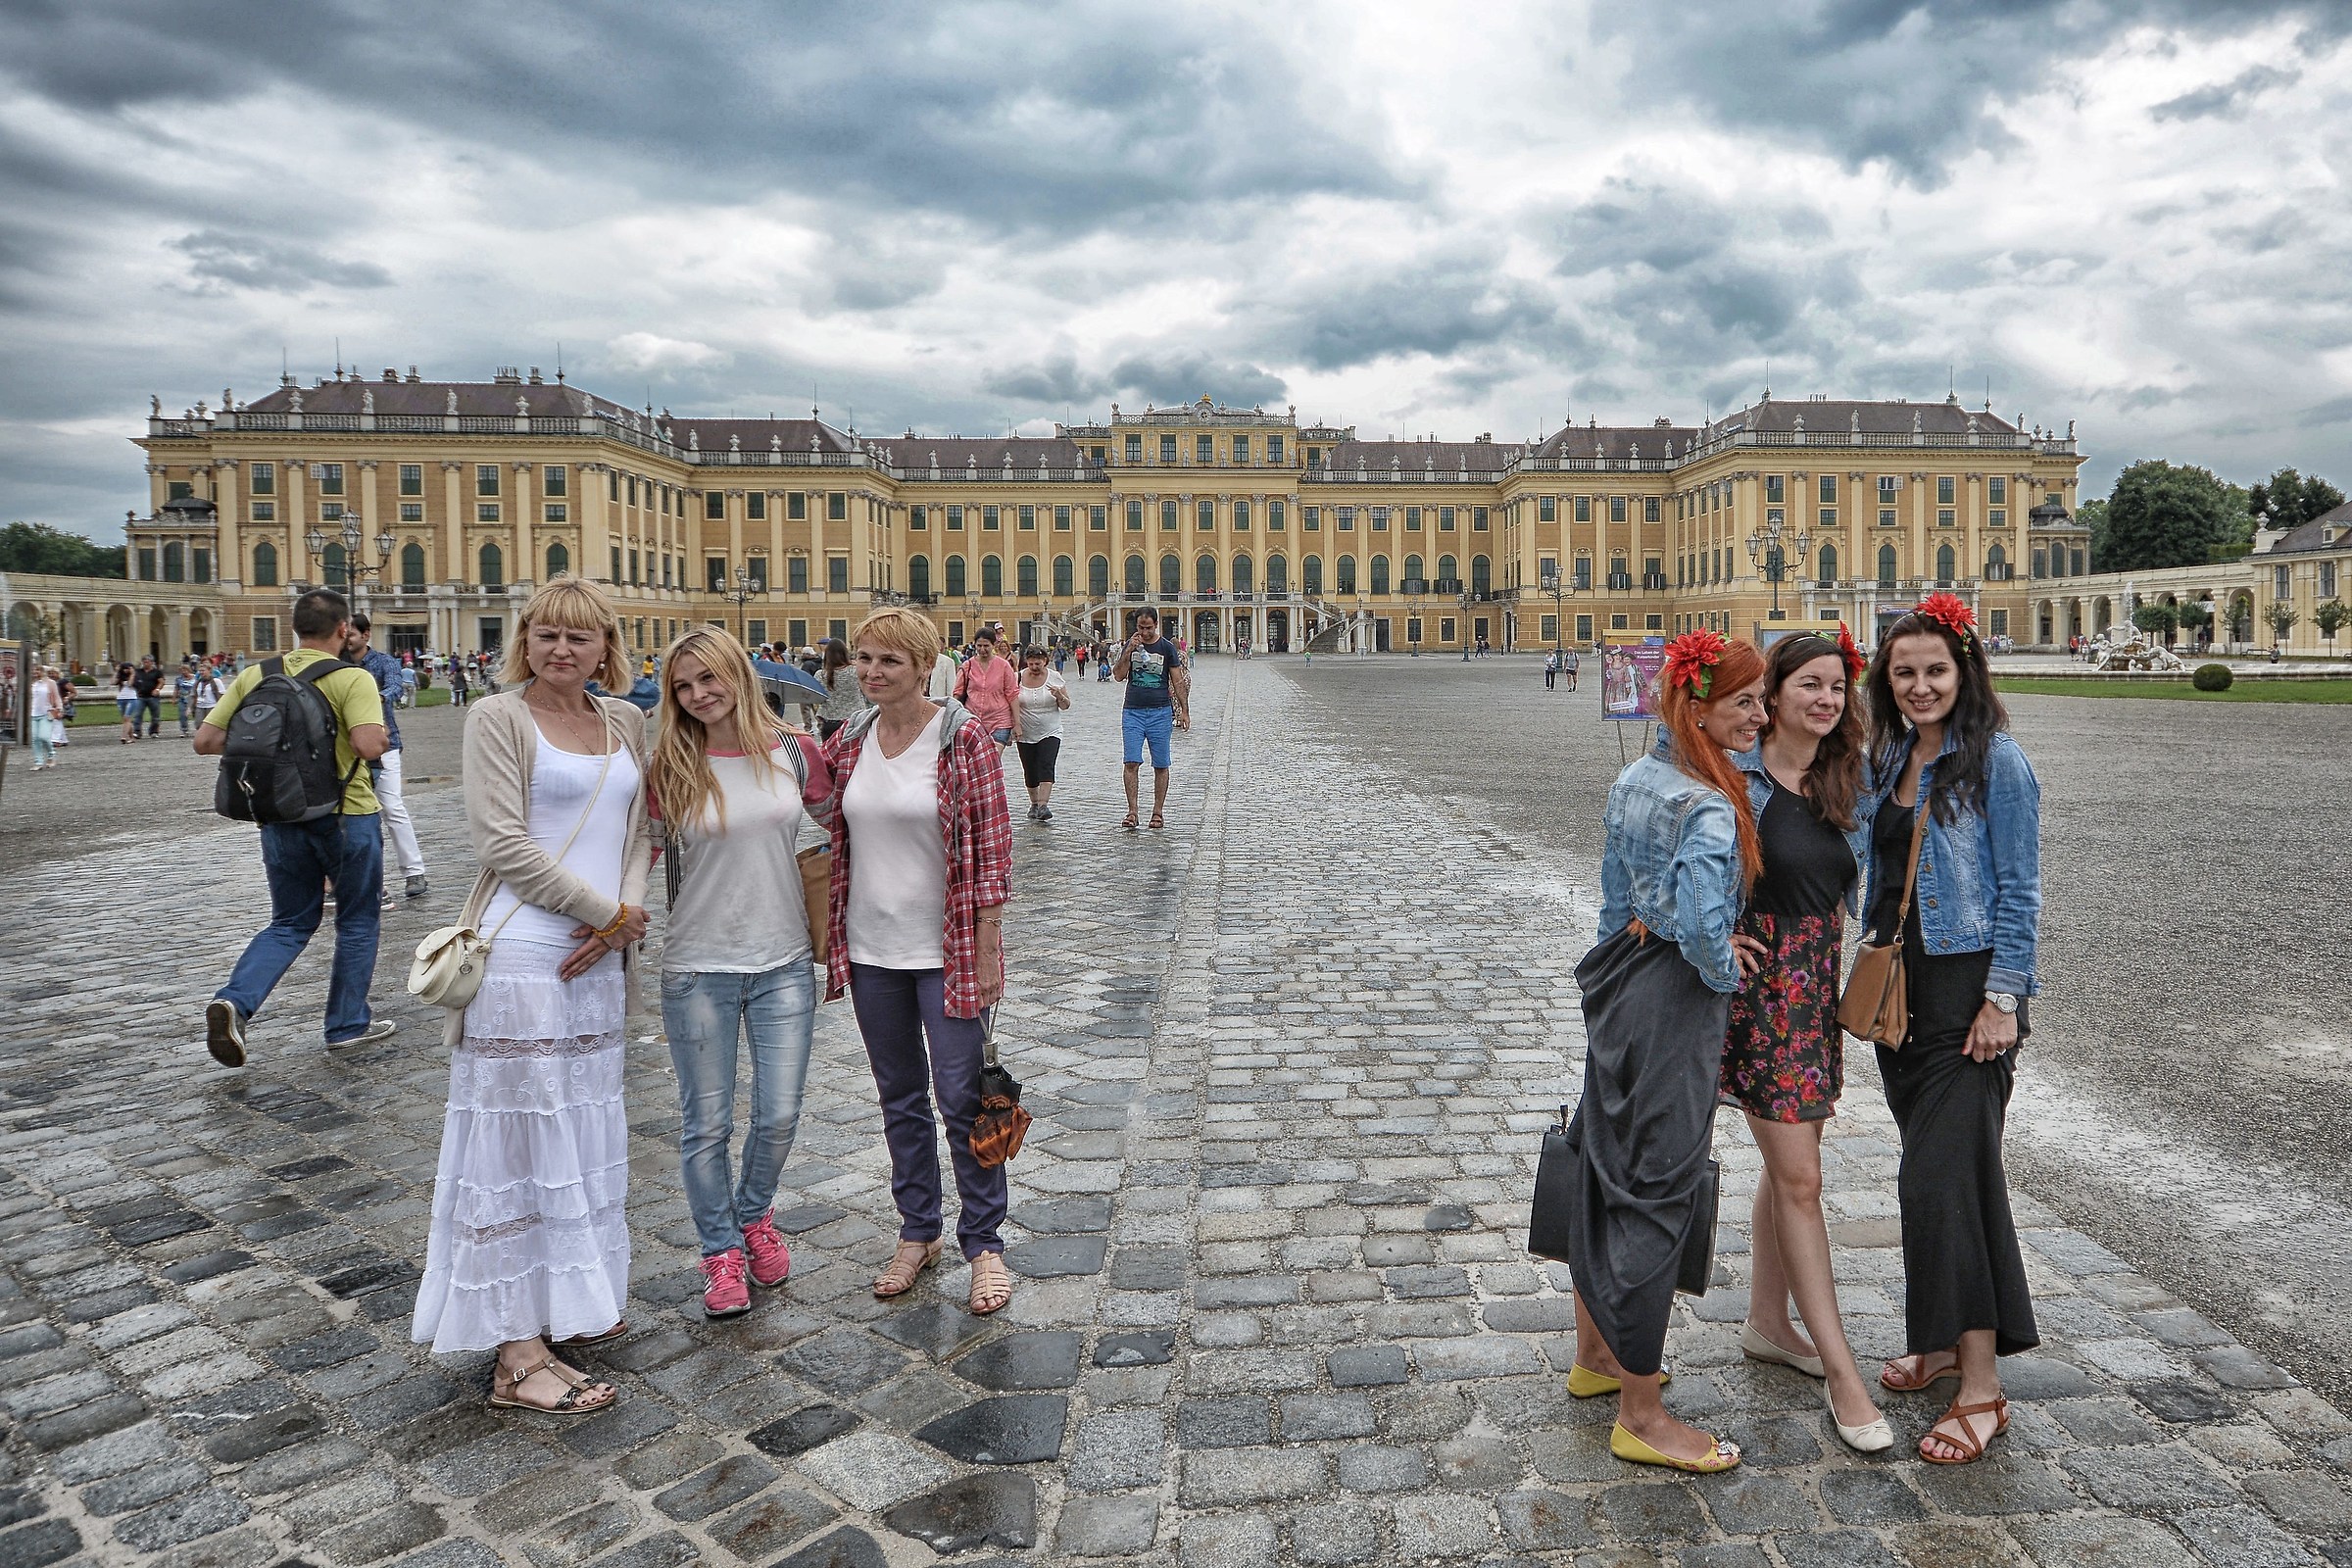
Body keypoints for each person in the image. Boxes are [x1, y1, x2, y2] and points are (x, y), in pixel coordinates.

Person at [412, 575, 651, 1416]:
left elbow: (639, 831)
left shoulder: (624, 721)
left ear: (604, 647)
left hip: (597, 961)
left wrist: (620, 921)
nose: (561, 649)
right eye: (547, 634)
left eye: (579, 637)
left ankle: (562, 1306)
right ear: (525, 641)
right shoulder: (497, 718)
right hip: (523, 961)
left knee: (579, 1133)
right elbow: (502, 843)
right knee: (515, 1148)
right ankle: (515, 1354)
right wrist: (606, 912)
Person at [1562, 629, 1766, 1475]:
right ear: (1699, 708)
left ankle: (1598, 1358)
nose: (1761, 714)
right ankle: (1642, 1414)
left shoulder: (1636, 778)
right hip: (1678, 1001)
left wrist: (1616, 986)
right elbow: (1700, 919)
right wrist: (1726, 967)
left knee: (1604, 1163)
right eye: (1745, 702)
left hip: (1621, 986)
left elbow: (1615, 901)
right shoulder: (1711, 805)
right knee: (1660, 1184)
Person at [1860, 594, 2042, 1465]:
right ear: (1885, 682)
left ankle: (1982, 1388)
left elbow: (2021, 890)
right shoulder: (1888, 755)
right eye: (1906, 672)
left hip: (1971, 998)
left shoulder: (1997, 762)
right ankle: (1937, 1345)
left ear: (1964, 671)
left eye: (1936, 669)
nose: (1922, 684)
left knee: (1950, 1185)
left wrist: (2004, 998)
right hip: (1905, 1001)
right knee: (1923, 1181)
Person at [1721, 629, 1892, 1454]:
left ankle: (1765, 1322)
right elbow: (1662, 834)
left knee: (1788, 1171)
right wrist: (1709, 935)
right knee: (1802, 1181)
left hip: (1812, 990)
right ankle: (1842, 1370)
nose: (1826, 700)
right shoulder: (1734, 771)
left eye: (1838, 687)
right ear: (1773, 693)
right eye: (1809, 685)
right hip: (1751, 996)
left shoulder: (1845, 778)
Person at [823, 607, 1015, 1316]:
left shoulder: (962, 739)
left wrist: (990, 949)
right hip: (872, 948)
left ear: (923, 666)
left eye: (889, 662)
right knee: (899, 1097)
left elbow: (994, 855)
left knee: (966, 1100)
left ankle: (985, 1243)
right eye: (865, 660)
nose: (872, 673)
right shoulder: (849, 738)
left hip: (951, 951)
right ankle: (918, 1233)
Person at [649, 626, 836, 1319]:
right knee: (706, 1125)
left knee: (780, 1114)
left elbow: (844, 820)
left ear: (737, 673)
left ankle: (754, 1213)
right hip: (698, 965)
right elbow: (634, 851)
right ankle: (720, 1250)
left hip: (783, 959)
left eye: (708, 679)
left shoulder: (793, 748)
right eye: (684, 686)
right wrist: (598, 920)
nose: (698, 695)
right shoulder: (670, 757)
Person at [196, 588, 397, 1065]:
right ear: (343, 629)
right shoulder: (352, 678)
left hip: (281, 814)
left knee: (289, 921)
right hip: (347, 814)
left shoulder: (255, 675)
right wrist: (379, 735)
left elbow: (206, 740)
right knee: (357, 920)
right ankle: (347, 1024)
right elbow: (368, 745)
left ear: (295, 628)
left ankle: (236, 1001)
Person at [344, 613, 430, 902]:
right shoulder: (339, 664)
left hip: (385, 744)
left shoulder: (384, 663)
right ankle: (353, 879)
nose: (347, 639)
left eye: (352, 634)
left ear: (366, 634)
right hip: (346, 748)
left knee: (392, 807)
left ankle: (414, 871)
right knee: (350, 814)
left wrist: (370, 698)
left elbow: (394, 687)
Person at [1113, 610, 1187, 830]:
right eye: (1140, 628)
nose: (1144, 632)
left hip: (1160, 712)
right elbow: (1118, 675)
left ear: (1156, 624)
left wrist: (1184, 710)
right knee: (1131, 762)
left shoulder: (1166, 648)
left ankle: (1157, 812)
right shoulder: (1131, 645)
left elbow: (1177, 680)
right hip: (1133, 711)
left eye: (1148, 628)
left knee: (1161, 764)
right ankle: (1132, 811)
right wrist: (1128, 652)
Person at [1013, 644, 1070, 821]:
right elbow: (1011, 701)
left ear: (1045, 661)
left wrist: (1059, 695)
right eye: (1031, 664)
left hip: (1050, 729)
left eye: (1038, 664)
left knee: (1047, 764)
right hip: (1025, 731)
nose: (1035, 667)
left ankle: (1044, 805)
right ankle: (1034, 803)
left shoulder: (1055, 677)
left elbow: (1066, 705)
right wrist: (1015, 725)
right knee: (1030, 769)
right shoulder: (1018, 678)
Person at [954, 627, 1018, 747]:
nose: (982, 649)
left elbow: (1012, 695)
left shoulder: (1003, 666)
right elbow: (957, 693)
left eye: (986, 646)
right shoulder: (967, 666)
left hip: (999, 720)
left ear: (993, 645)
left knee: (992, 759)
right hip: (972, 719)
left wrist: (1017, 724)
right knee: (976, 762)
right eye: (979, 646)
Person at [816, 637, 866, 740]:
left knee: (830, 755)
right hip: (855, 721)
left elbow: (816, 698)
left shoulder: (820, 675)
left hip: (829, 723)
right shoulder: (855, 671)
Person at [26, 666, 58, 771]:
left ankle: (51, 755)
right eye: (34, 670)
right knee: (35, 739)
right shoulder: (31, 684)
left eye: (38, 670)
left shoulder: (50, 683)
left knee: (44, 737)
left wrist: (59, 709)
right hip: (34, 714)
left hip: (46, 713)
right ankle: (38, 762)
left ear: (43, 672)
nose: (35, 672)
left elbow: (56, 697)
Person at [134, 656, 164, 737]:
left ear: (151, 662)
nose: (145, 663)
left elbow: (161, 682)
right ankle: (137, 731)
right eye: (144, 662)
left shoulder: (157, 672)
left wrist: (157, 689)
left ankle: (154, 731)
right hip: (141, 696)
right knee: (138, 715)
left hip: (153, 697)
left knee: (155, 716)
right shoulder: (138, 672)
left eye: (147, 662)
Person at [115, 663, 139, 743]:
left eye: (128, 668)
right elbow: (112, 682)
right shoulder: (120, 676)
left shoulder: (135, 676)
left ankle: (124, 736)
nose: (126, 670)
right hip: (121, 699)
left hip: (131, 698)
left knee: (127, 717)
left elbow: (130, 684)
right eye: (125, 668)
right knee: (126, 720)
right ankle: (132, 737)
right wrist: (116, 672)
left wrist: (132, 674)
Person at [173, 662, 197, 735]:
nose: (183, 672)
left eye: (185, 670)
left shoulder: (196, 678)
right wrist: (174, 698)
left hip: (194, 699)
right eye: (182, 670)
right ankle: (184, 729)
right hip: (182, 699)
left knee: (196, 715)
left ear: (189, 670)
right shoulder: (178, 679)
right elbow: (176, 689)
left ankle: (199, 729)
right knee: (182, 715)